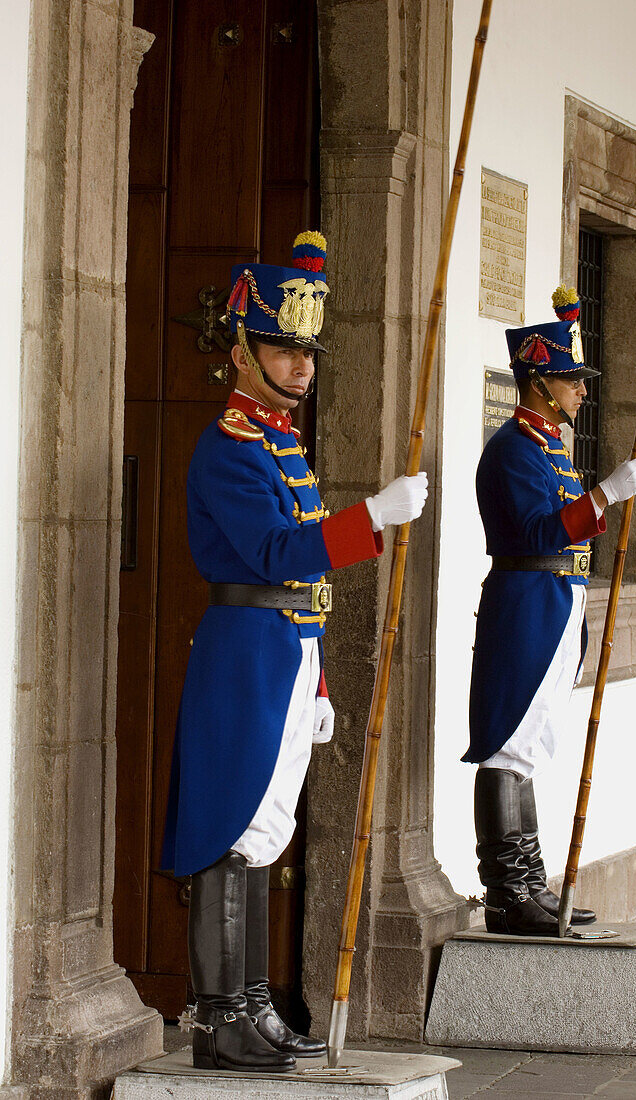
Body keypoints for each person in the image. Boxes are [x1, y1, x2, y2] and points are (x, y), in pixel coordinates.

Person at [161, 231, 428, 1072]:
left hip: (282, 655)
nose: (302, 365)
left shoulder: (280, 442)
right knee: (229, 831)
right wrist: (372, 518)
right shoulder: (230, 448)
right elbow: (278, 554)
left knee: (264, 834)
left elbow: (296, 573)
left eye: (309, 349)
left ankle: (252, 1005)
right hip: (244, 658)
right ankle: (217, 1018)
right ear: (242, 350)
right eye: (283, 346)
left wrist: (312, 672)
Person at [463, 285, 636, 937]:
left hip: (554, 602)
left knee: (529, 746)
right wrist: (605, 495)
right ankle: (506, 891)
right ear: (540, 382)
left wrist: (595, 501)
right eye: (571, 380)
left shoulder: (547, 449)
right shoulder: (514, 449)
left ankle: (528, 884)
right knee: (505, 745)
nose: (581, 392)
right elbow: (540, 532)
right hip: (526, 604)